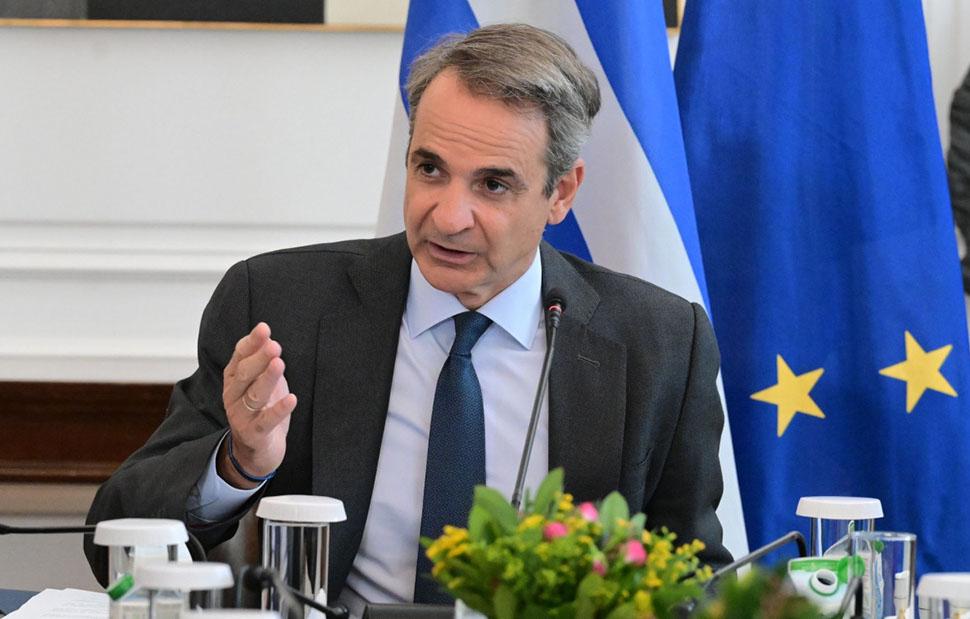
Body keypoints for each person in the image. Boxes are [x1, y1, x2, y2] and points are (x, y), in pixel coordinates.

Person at [86, 23, 732, 612]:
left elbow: (694, 579)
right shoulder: (281, 305)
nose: (448, 216)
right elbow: (114, 541)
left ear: (560, 192)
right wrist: (239, 462)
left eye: (493, 185)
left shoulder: (659, 343)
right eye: (430, 169)